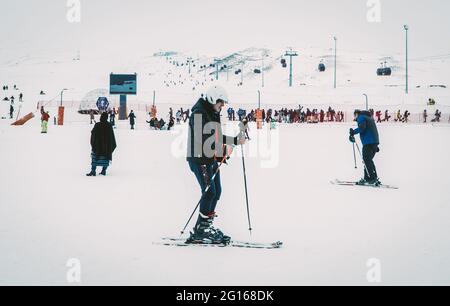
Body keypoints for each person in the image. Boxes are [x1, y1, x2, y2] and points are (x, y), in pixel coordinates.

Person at [186, 85, 245, 245]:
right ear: (213, 99)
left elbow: (216, 136)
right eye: (221, 102)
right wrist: (223, 148)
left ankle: (204, 226)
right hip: (199, 159)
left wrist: (234, 141)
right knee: (209, 191)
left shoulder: (213, 113)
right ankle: (202, 230)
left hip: (210, 159)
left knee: (216, 191)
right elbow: (202, 139)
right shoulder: (198, 113)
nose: (222, 106)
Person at [349, 109, 380, 186]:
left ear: (356, 114)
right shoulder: (368, 117)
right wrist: (375, 145)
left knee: (366, 159)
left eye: (354, 115)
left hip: (369, 142)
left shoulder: (361, 117)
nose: (355, 117)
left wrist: (353, 132)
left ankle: (371, 178)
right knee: (368, 160)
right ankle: (371, 177)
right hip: (373, 141)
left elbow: (362, 128)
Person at [86, 112, 117, 177]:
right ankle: (103, 171)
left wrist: (93, 144)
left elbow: (93, 134)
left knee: (95, 158)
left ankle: (93, 171)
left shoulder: (97, 125)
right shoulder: (109, 125)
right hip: (106, 147)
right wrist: (109, 146)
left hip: (97, 146)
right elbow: (112, 137)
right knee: (105, 158)